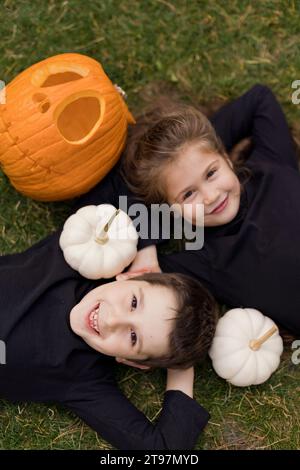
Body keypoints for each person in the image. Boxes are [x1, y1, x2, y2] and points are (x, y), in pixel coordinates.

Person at [0, 219, 218, 450]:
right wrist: (146, 249)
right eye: (133, 302)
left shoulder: (84, 379)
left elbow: (162, 451)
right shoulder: (83, 254)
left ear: (133, 362)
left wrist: (181, 367)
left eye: (133, 337)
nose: (112, 320)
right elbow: (123, 190)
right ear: (131, 276)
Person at [120, 84, 300, 335]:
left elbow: (260, 98)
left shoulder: (271, 164)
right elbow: (112, 202)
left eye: (211, 172)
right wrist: (145, 247)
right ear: (169, 210)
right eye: (188, 194)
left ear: (226, 158)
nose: (211, 196)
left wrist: (194, 142)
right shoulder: (204, 263)